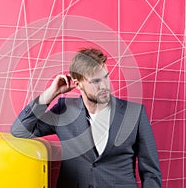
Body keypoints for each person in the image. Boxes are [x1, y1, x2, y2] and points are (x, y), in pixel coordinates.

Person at [11, 48, 162, 188]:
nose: (104, 86)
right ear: (78, 84)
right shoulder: (65, 111)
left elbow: (151, 172)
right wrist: (51, 93)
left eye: (106, 77)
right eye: (96, 81)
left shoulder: (134, 114)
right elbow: (20, 130)